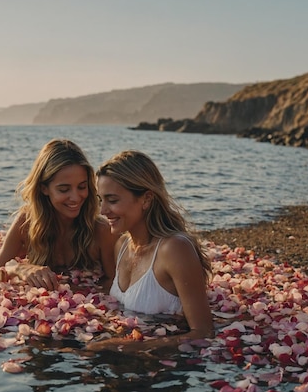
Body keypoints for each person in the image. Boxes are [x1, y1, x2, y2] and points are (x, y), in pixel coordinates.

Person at [88, 150, 214, 351]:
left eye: (112, 200)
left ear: (146, 199)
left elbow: (203, 332)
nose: (102, 211)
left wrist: (126, 347)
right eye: (100, 200)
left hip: (166, 370)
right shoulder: (121, 246)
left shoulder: (173, 249)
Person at [0, 139, 117, 291]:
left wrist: (76, 291)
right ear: (44, 188)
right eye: (64, 189)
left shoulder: (101, 230)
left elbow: (115, 282)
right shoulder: (26, 222)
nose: (75, 197)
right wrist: (19, 269)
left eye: (82, 187)